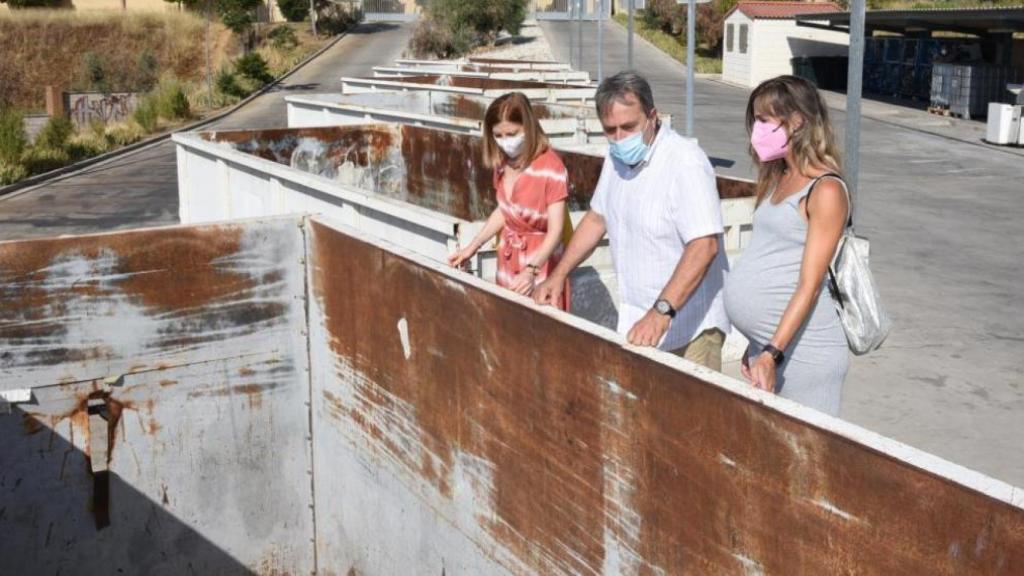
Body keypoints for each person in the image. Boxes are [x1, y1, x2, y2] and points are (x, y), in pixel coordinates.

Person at [534, 72, 730, 371]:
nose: (620, 138)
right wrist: (559, 274)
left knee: (687, 416)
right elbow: (597, 218)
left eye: (629, 127)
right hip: (640, 320)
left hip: (688, 326)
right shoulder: (616, 160)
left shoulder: (685, 162)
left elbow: (704, 246)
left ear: (652, 116)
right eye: (610, 130)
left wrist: (661, 312)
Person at [722, 75, 850, 416]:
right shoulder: (779, 179)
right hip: (770, 349)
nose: (757, 130)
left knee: (807, 461)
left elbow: (809, 286)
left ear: (797, 121)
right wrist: (757, 344)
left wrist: (772, 353)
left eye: (765, 120)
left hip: (804, 354)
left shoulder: (825, 190)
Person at [448, 92, 572, 310]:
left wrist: (532, 269)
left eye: (512, 133)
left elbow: (556, 230)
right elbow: (505, 211)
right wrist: (473, 246)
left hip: (541, 262)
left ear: (529, 128)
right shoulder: (503, 164)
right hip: (508, 259)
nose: (506, 142)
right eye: (498, 135)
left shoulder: (551, 168)